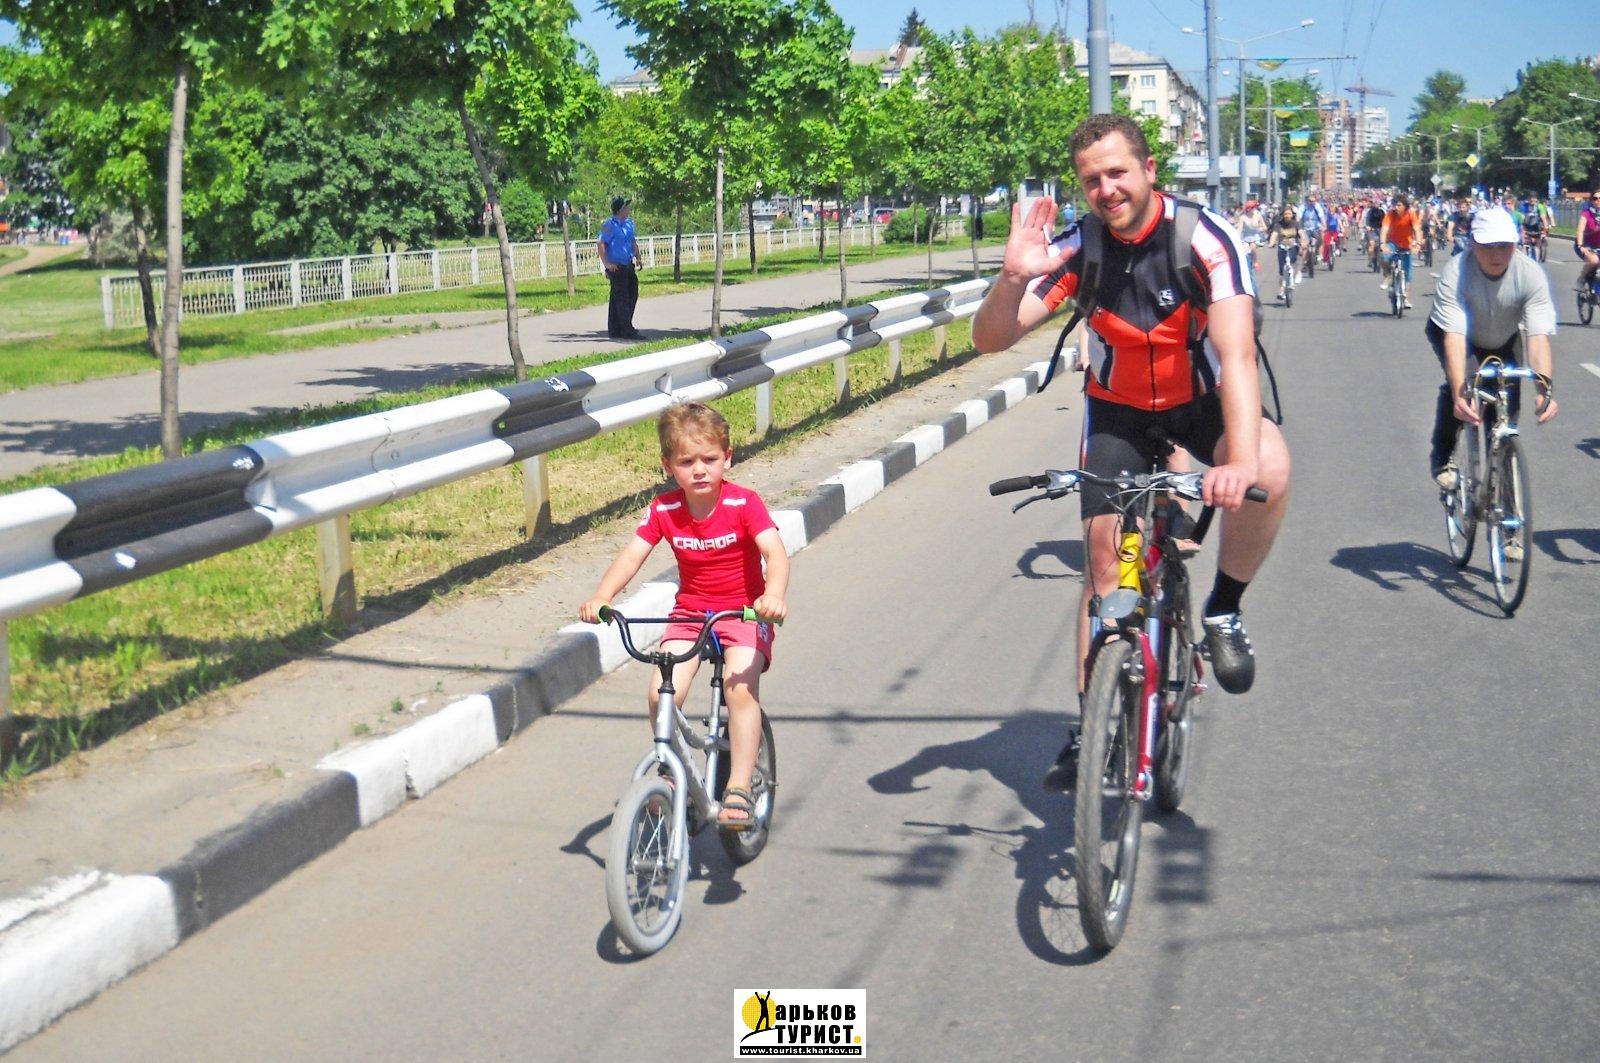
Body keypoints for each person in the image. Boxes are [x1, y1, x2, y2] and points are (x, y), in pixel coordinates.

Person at [971, 113, 1291, 792]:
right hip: (1119, 411)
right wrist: (1011, 277)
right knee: (1103, 562)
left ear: (1149, 170)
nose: (1106, 189)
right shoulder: (1078, 249)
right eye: (1092, 180)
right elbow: (991, 338)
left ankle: (1224, 607)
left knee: (1272, 466)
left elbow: (1236, 355)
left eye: (1118, 172)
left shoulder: (1204, 238)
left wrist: (1237, 463)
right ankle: (1091, 725)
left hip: (1200, 398)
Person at [579, 402, 789, 828]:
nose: (699, 470)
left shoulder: (744, 503)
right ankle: (671, 771)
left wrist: (773, 596)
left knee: (739, 689)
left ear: (727, 457)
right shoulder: (664, 509)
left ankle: (739, 785)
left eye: (709, 459)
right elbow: (632, 556)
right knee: (661, 693)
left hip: (744, 612)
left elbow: (775, 553)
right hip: (691, 613)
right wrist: (602, 596)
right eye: (686, 462)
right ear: (668, 466)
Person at [1426, 208, 1558, 561]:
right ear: (1473, 243)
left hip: (1503, 339)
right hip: (1459, 335)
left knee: (1505, 428)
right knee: (1465, 393)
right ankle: (1442, 458)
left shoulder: (1530, 274)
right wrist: (1461, 390)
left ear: (1516, 244)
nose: (1497, 254)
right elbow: (1455, 338)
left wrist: (1544, 391)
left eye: (1505, 245)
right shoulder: (1457, 272)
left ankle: (1511, 529)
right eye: (1488, 246)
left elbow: (1538, 337)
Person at [599, 196, 644, 340]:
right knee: (622, 298)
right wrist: (606, 264)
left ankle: (616, 329)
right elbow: (601, 244)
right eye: (626, 207)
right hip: (616, 267)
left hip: (628, 264)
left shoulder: (629, 224)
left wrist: (638, 256)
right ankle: (626, 330)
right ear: (620, 210)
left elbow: (632, 241)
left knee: (631, 293)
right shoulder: (608, 225)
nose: (629, 209)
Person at [1379, 193, 1420, 309]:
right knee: (1384, 257)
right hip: (1393, 243)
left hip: (1407, 245)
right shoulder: (1390, 214)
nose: (1396, 207)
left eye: (1398, 205)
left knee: (1408, 273)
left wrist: (1417, 244)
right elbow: (1384, 229)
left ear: (1405, 206)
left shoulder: (1411, 214)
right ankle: (1387, 276)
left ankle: (1405, 297)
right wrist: (1383, 244)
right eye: (1395, 205)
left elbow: (1417, 230)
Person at [1267, 204, 1303, 301]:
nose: (1287, 215)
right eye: (1285, 214)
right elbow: (1274, 234)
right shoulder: (1279, 224)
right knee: (1282, 272)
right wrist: (1271, 242)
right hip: (1282, 247)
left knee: (1293, 264)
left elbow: (1301, 233)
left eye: (1289, 214)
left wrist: (1304, 241)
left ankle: (1284, 288)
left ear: (1292, 214)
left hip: (1293, 246)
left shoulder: (1296, 224)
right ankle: (1282, 289)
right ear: (1283, 215)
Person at [1236, 199, 1267, 276]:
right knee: (1244, 252)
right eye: (1252, 208)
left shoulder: (1258, 215)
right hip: (1246, 238)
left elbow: (1265, 227)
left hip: (1255, 237)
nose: (1253, 209)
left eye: (1254, 207)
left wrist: (1258, 230)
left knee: (1253, 247)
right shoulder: (1243, 217)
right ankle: (1244, 267)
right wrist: (1236, 237)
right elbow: (1239, 229)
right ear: (1248, 209)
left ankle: (1255, 262)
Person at [1576, 191, 1600, 290]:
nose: (1598, 200)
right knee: (1594, 261)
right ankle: (1581, 278)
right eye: (1595, 198)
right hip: (1586, 245)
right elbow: (1580, 230)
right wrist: (1581, 245)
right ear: (1592, 201)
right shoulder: (1586, 214)